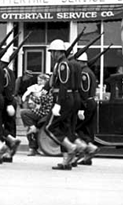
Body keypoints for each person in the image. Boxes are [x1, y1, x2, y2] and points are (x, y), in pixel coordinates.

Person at [44, 39, 80, 170]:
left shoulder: (63, 65)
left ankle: (70, 147)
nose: (51, 55)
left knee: (49, 127)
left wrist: (58, 103)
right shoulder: (61, 64)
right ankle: (66, 161)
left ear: (57, 52)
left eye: (52, 52)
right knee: (64, 128)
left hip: (63, 99)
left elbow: (64, 85)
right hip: (66, 98)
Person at [72, 52, 99, 166]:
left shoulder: (83, 73)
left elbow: (83, 91)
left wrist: (81, 108)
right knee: (87, 129)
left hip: (86, 103)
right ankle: (87, 158)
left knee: (78, 129)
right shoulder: (90, 72)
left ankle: (89, 147)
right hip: (91, 102)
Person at [20, 74, 52, 156]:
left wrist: (31, 96)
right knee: (30, 125)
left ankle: (33, 128)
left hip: (44, 113)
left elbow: (40, 100)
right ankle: (33, 148)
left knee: (23, 113)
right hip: (43, 112)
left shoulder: (47, 90)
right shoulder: (44, 89)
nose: (39, 82)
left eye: (42, 80)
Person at [0, 50, 21, 163]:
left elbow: (6, 87)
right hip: (11, 99)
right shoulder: (11, 71)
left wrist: (7, 102)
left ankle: (9, 145)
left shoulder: (3, 72)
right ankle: (9, 153)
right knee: (10, 126)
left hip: (6, 100)